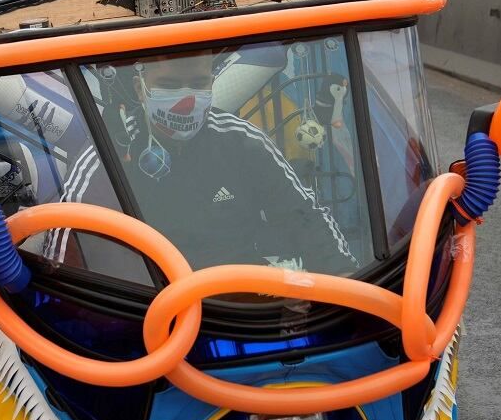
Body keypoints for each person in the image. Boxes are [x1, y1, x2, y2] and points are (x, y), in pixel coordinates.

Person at [48, 50, 357, 274]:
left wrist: (344, 278)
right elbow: (64, 251)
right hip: (153, 316)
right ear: (141, 89)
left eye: (198, 83)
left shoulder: (241, 140)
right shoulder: (108, 155)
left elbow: (306, 216)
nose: (187, 100)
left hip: (241, 306)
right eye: (170, 85)